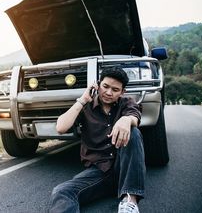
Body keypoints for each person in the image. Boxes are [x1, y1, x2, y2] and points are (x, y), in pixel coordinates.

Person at [49, 67, 145, 213]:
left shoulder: (126, 103)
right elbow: (61, 127)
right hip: (99, 171)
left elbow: (134, 116)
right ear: (97, 85)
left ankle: (129, 201)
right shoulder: (86, 107)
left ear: (122, 92)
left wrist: (126, 119)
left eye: (115, 89)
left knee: (133, 132)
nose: (108, 92)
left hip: (124, 169)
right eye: (105, 86)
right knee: (62, 191)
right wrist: (82, 100)